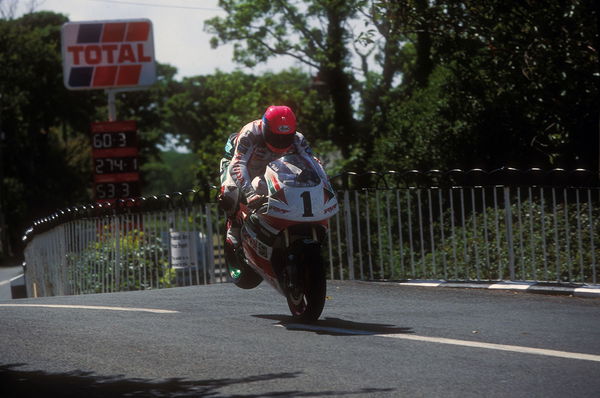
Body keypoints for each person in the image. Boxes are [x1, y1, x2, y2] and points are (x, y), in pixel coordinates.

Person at [218, 105, 324, 253]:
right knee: (229, 192)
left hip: (274, 169)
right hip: (243, 165)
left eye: (285, 137)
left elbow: (312, 162)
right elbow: (237, 165)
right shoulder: (250, 133)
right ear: (265, 128)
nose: (280, 141)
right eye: (276, 136)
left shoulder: (298, 138)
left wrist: (324, 185)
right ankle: (233, 225)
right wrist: (250, 194)